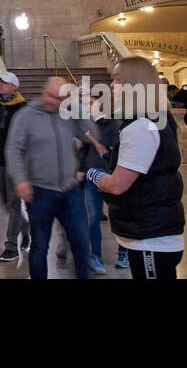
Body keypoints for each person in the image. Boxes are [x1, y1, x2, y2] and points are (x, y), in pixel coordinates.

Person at [85, 57, 185, 280]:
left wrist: (93, 174)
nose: (111, 85)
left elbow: (118, 184)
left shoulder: (142, 126)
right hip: (151, 228)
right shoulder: (151, 118)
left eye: (118, 79)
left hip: (150, 235)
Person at [5, 77, 93, 278]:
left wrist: (78, 108)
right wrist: (20, 179)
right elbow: (13, 149)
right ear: (44, 92)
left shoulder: (69, 113)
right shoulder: (26, 115)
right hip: (40, 190)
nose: (54, 101)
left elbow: (91, 135)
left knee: (80, 242)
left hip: (70, 190)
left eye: (60, 98)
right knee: (39, 247)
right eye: (51, 96)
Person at [0, 72, 30, 263]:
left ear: (14, 87)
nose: (0, 85)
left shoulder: (22, 107)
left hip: (16, 162)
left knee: (14, 204)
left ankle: (11, 247)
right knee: (5, 203)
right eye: (0, 82)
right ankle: (25, 227)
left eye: (5, 83)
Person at [76, 90, 123, 271]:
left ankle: (123, 253)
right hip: (90, 175)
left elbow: (110, 151)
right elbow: (82, 151)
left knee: (117, 214)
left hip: (111, 175)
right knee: (93, 217)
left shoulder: (111, 124)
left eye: (90, 104)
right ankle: (95, 257)